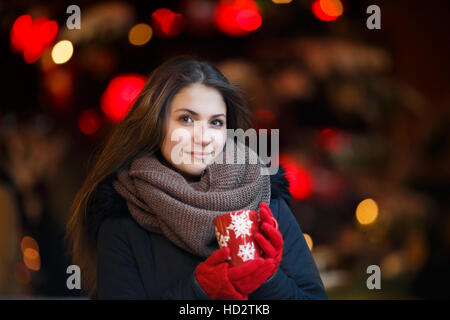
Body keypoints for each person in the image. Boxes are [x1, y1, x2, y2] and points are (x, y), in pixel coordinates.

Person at [66, 55, 327, 300]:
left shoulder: (262, 195)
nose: (203, 137)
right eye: (187, 119)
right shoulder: (124, 214)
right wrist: (197, 292)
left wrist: (268, 279)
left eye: (215, 123)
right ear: (155, 124)